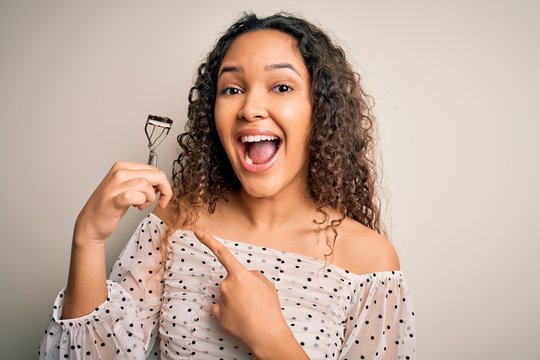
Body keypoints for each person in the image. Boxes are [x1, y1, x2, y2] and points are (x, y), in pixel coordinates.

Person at [39, 13, 416, 360]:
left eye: (282, 87)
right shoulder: (176, 221)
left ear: (322, 112)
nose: (250, 107)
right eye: (232, 89)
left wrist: (272, 339)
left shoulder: (370, 261)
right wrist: (87, 241)